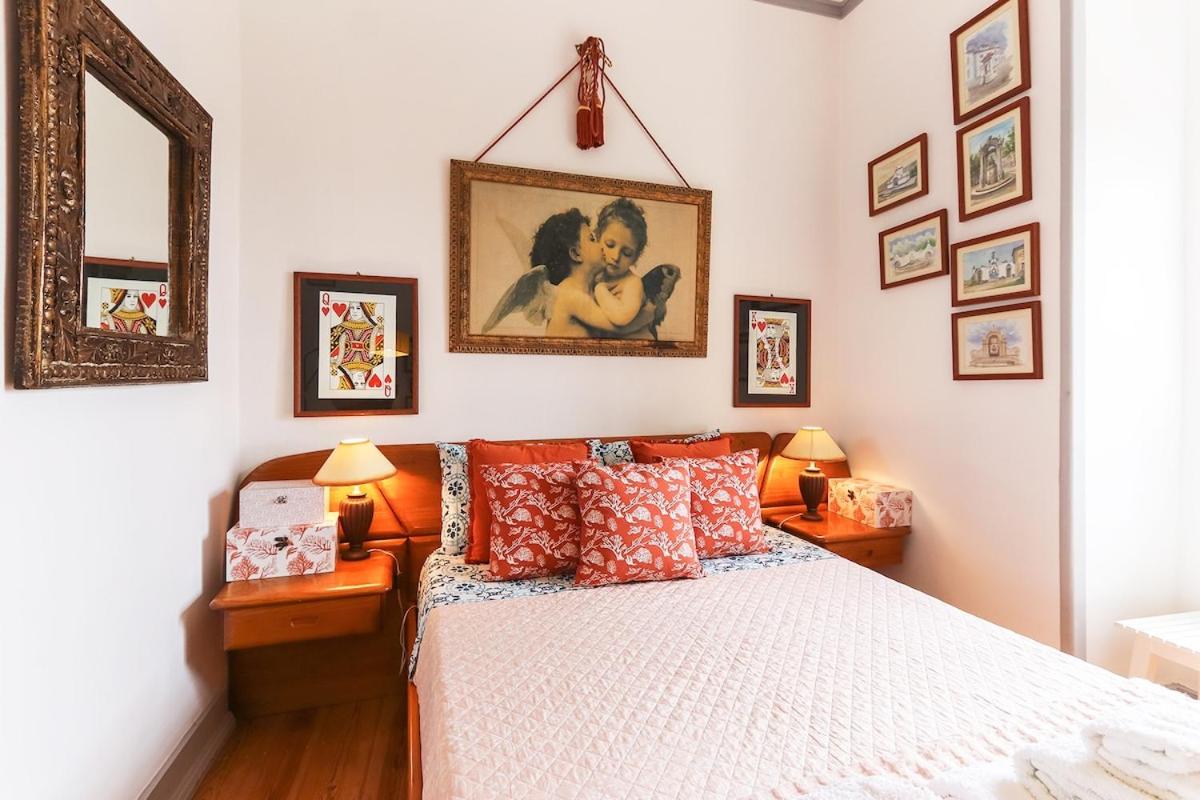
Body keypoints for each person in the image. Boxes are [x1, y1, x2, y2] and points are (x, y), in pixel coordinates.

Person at [530, 209, 653, 338]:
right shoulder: (569, 294)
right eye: (592, 239)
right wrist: (647, 315)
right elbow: (618, 329)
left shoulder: (589, 290)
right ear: (576, 254)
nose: (601, 245)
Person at [591, 198, 648, 332]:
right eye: (610, 245)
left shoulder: (632, 283)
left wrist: (600, 289)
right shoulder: (594, 274)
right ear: (597, 237)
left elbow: (621, 317)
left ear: (636, 257)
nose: (616, 257)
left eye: (627, 253)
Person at [329, 300, 384, 389]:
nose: (354, 311)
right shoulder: (343, 327)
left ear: (364, 310)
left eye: (358, 308)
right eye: (352, 308)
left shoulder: (372, 327)